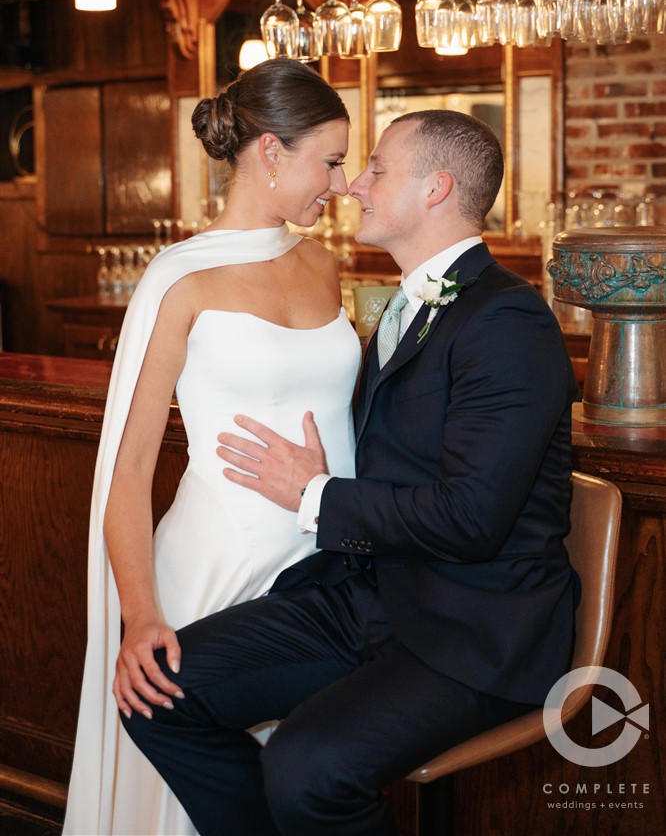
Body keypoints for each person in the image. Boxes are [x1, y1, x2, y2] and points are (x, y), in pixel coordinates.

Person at [121, 109, 580, 836]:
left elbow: (471, 518)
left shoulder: (508, 322)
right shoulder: (406, 305)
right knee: (159, 691)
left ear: (435, 189)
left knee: (306, 768)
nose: (354, 186)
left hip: (474, 631)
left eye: (376, 170)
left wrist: (316, 494)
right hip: (369, 598)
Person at [63, 58, 360, 835]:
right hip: (215, 569)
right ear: (271, 151)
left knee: (308, 780)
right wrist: (140, 615)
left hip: (329, 568)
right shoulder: (180, 279)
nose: (341, 183)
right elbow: (127, 469)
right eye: (330, 161)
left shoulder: (323, 263)